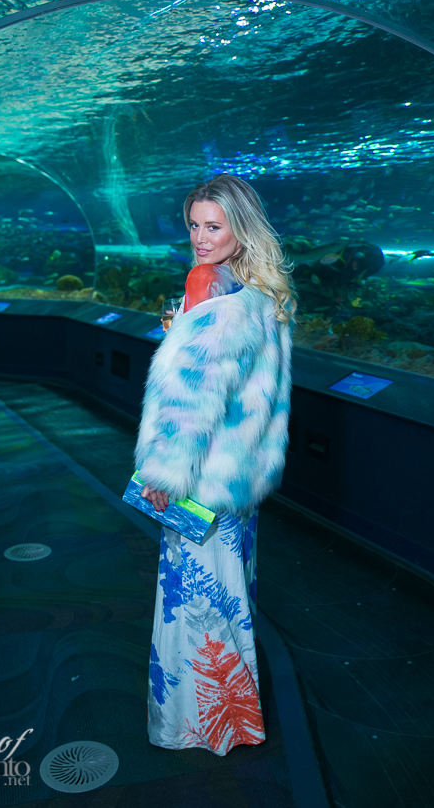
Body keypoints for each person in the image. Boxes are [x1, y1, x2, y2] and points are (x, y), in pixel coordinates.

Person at [135, 173, 295, 756]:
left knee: (195, 601)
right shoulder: (263, 291)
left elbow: (192, 399)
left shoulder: (207, 284)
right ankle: (235, 721)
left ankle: (198, 725)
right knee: (231, 595)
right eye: (194, 226)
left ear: (240, 228)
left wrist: (163, 473)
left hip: (198, 477)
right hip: (238, 479)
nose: (201, 238)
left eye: (214, 226)